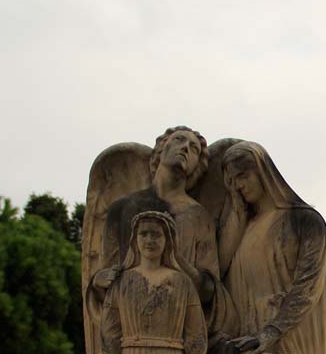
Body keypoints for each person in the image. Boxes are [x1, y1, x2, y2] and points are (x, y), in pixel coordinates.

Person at [208, 141, 326, 354]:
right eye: (233, 181)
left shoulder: (304, 221)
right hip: (249, 348)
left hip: (291, 337)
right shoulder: (242, 231)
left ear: (263, 172)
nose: (240, 185)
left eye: (243, 176)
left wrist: (270, 333)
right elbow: (216, 272)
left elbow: (307, 289)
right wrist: (236, 211)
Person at [92, 126, 238, 337]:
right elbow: (103, 276)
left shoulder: (199, 217)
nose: (185, 148)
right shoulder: (123, 208)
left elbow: (209, 290)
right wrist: (100, 280)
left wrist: (175, 260)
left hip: (177, 328)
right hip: (130, 328)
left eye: (194, 149)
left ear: (197, 166)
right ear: (161, 148)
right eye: (179, 140)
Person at [101, 211, 207, 354]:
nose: (150, 239)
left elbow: (196, 331)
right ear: (135, 240)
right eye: (144, 234)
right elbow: (109, 332)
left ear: (168, 241)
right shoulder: (121, 281)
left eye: (156, 234)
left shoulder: (182, 282)